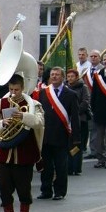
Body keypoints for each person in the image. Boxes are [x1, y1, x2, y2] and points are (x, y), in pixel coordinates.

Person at [0, 74, 45, 212]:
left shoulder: (33, 104)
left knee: (23, 189)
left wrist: (23, 116)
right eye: (11, 89)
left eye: (16, 90)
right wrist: (2, 123)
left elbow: (40, 122)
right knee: (4, 188)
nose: (13, 93)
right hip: (4, 153)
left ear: (23, 89)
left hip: (24, 153)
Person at [35, 68, 79, 200]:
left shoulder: (70, 94)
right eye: (52, 75)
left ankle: (59, 191)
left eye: (57, 75)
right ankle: (46, 190)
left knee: (61, 166)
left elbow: (75, 118)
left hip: (62, 136)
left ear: (63, 77)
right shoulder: (43, 93)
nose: (54, 77)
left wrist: (76, 139)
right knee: (46, 166)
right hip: (46, 136)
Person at [65, 69, 90, 175]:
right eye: (68, 76)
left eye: (72, 76)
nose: (70, 78)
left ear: (76, 77)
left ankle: (77, 167)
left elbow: (86, 101)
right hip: (67, 120)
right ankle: (69, 167)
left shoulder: (83, 87)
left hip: (80, 119)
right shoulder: (65, 88)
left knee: (77, 144)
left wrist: (75, 112)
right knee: (68, 145)